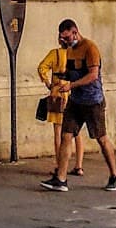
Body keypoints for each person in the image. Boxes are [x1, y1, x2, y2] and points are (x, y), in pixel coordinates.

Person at [40, 19, 116, 192]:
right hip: (75, 101)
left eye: (67, 37)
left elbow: (92, 75)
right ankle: (61, 178)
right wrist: (59, 80)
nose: (64, 41)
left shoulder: (90, 48)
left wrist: (71, 85)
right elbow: (72, 73)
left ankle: (115, 176)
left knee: (101, 138)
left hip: (93, 101)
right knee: (66, 135)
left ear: (75, 32)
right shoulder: (69, 51)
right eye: (62, 38)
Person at [36, 31, 85, 176]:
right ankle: (79, 166)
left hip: (58, 93)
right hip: (74, 92)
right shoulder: (77, 54)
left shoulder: (55, 54)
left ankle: (60, 166)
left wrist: (48, 83)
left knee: (58, 132)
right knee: (77, 132)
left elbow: (42, 67)